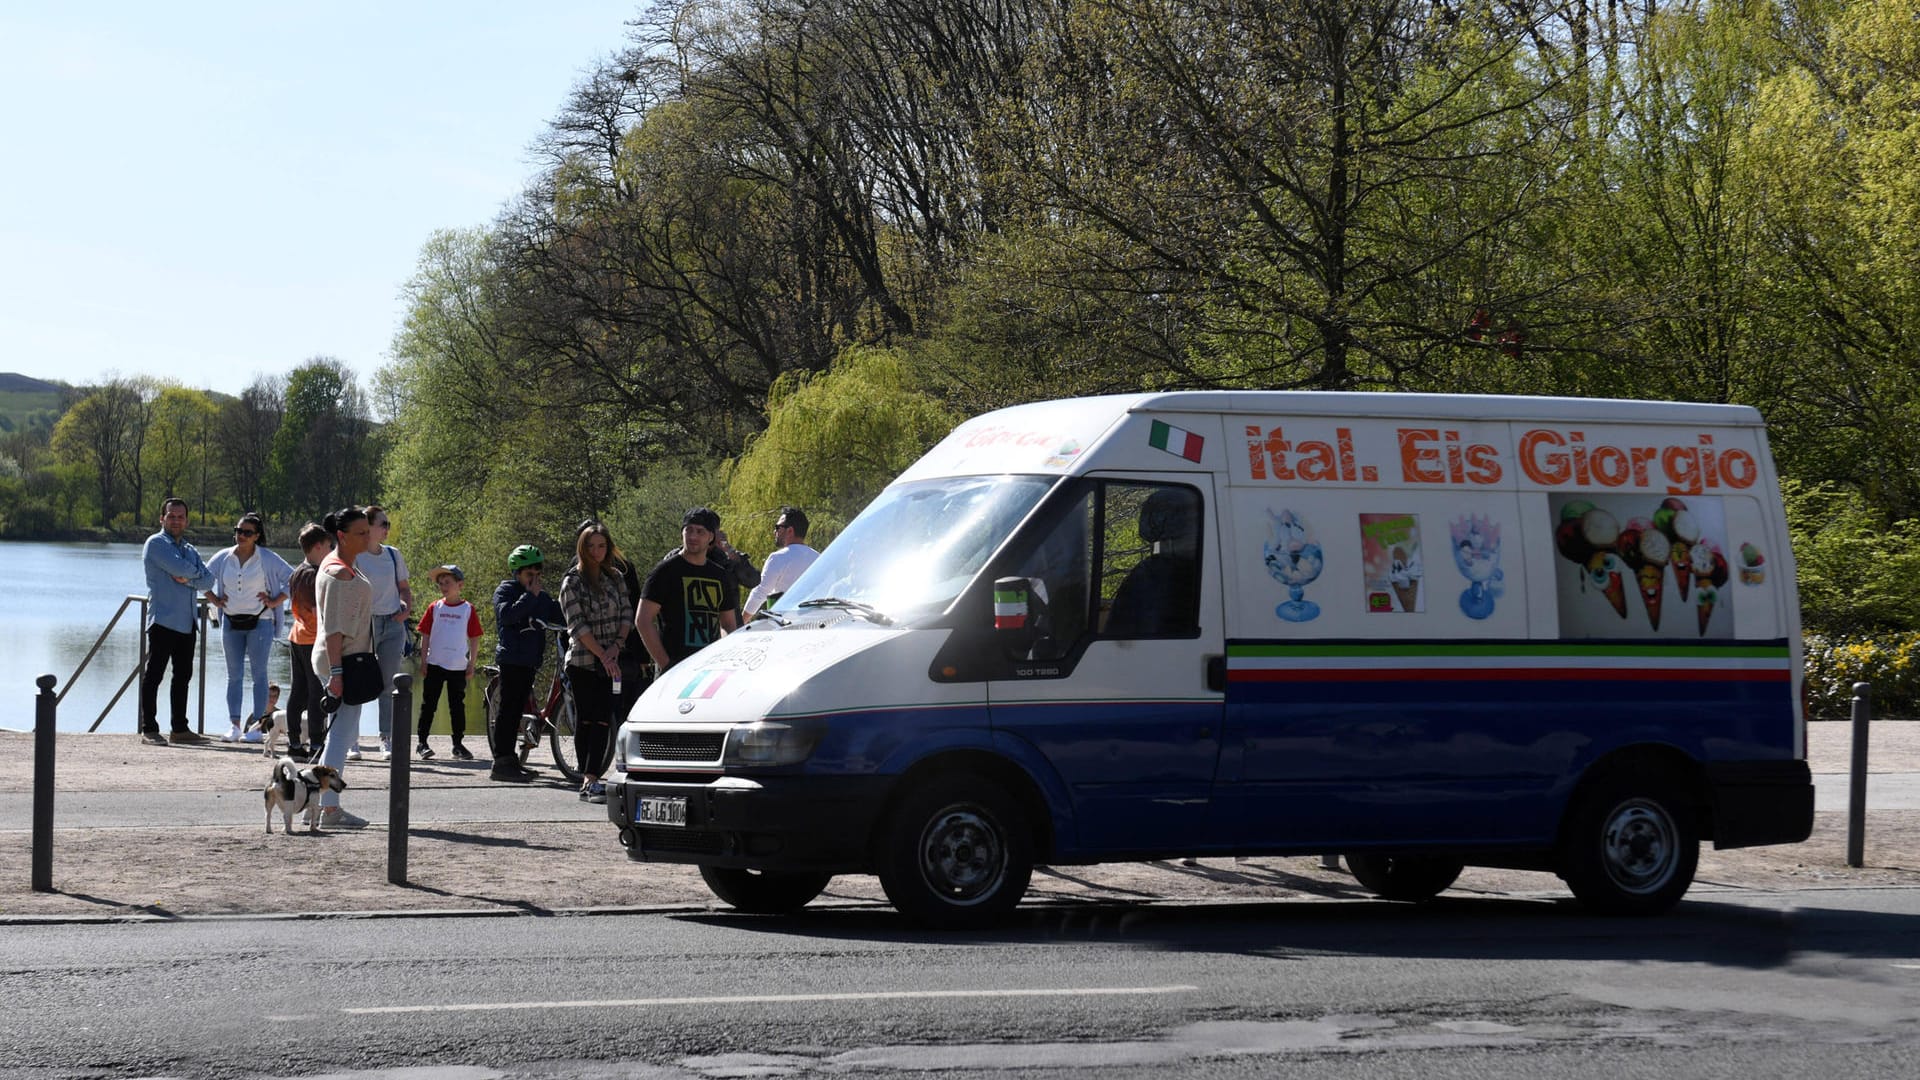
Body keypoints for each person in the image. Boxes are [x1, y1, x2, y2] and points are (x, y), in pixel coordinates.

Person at [312, 507, 377, 829]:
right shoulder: (340, 574)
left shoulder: (340, 563)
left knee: (342, 732)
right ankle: (330, 809)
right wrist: (336, 676)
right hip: (344, 661)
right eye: (361, 533)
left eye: (369, 530)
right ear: (342, 536)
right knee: (340, 736)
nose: (368, 536)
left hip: (346, 659)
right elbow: (334, 630)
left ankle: (321, 802)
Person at [205, 513, 293, 743]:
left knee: (259, 675)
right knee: (233, 676)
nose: (241, 536)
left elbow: (294, 579)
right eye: (238, 530)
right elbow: (203, 577)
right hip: (231, 622)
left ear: (257, 536)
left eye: (247, 532)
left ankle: (256, 727)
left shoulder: (267, 558)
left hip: (260, 623)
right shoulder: (224, 557)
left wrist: (275, 601)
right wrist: (213, 598)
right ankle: (234, 726)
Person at [560, 522, 632, 804]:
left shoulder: (616, 578)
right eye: (590, 546)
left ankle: (594, 776)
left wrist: (615, 647)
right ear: (582, 548)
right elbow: (576, 625)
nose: (596, 551)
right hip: (583, 661)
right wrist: (602, 655)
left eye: (601, 546)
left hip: (611, 659)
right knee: (587, 718)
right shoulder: (572, 582)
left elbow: (627, 613)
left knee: (604, 718)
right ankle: (588, 780)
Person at [138, 497, 217, 746]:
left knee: (183, 676)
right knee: (154, 676)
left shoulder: (190, 549)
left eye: (180, 516)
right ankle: (149, 729)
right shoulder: (156, 544)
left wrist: (189, 577)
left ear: (187, 520)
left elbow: (209, 580)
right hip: (163, 620)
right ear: (162, 518)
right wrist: (192, 575)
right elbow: (183, 570)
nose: (176, 520)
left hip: (187, 622)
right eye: (171, 516)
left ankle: (180, 729)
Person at [637, 507, 740, 673]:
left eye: (700, 532)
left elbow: (728, 624)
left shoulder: (720, 576)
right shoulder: (664, 572)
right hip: (673, 669)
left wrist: (723, 658)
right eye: (689, 530)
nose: (693, 536)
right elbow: (643, 620)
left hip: (709, 669)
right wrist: (666, 665)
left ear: (711, 537)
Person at [492, 544, 563, 782]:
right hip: (512, 659)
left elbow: (558, 613)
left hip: (530, 661)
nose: (534, 579)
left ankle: (512, 762)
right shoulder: (506, 591)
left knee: (518, 708)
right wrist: (529, 596)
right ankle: (501, 763)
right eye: (528, 575)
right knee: (509, 711)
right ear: (517, 573)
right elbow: (507, 615)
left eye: (537, 575)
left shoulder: (540, 597)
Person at [354, 505, 413, 758]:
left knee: (388, 684)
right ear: (368, 526)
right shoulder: (355, 555)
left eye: (388, 524)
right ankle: (350, 740)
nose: (387, 528)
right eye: (383, 524)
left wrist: (407, 608)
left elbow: (404, 588)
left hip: (392, 623)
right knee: (355, 682)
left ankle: (385, 738)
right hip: (364, 625)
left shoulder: (393, 554)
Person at [414, 565, 481, 761]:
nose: (443, 586)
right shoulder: (435, 607)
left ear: (459, 585)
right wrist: (423, 660)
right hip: (435, 664)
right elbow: (425, 635)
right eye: (441, 583)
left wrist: (472, 663)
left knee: (457, 706)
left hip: (458, 666)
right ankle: (422, 742)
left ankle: (458, 744)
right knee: (429, 705)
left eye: (448, 583)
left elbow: (475, 637)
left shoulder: (468, 609)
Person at [284, 523, 334, 758]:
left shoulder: (296, 572)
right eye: (327, 545)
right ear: (317, 547)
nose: (331, 549)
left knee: (298, 691)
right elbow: (317, 611)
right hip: (313, 639)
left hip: (297, 635)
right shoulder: (314, 575)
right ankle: (315, 743)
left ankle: (294, 742)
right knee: (316, 694)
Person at [743, 506, 820, 616]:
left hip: (784, 624)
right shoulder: (818, 558)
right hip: (814, 624)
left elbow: (760, 593)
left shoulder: (778, 558)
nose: (775, 531)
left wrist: (739, 625)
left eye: (778, 527)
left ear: (790, 530)